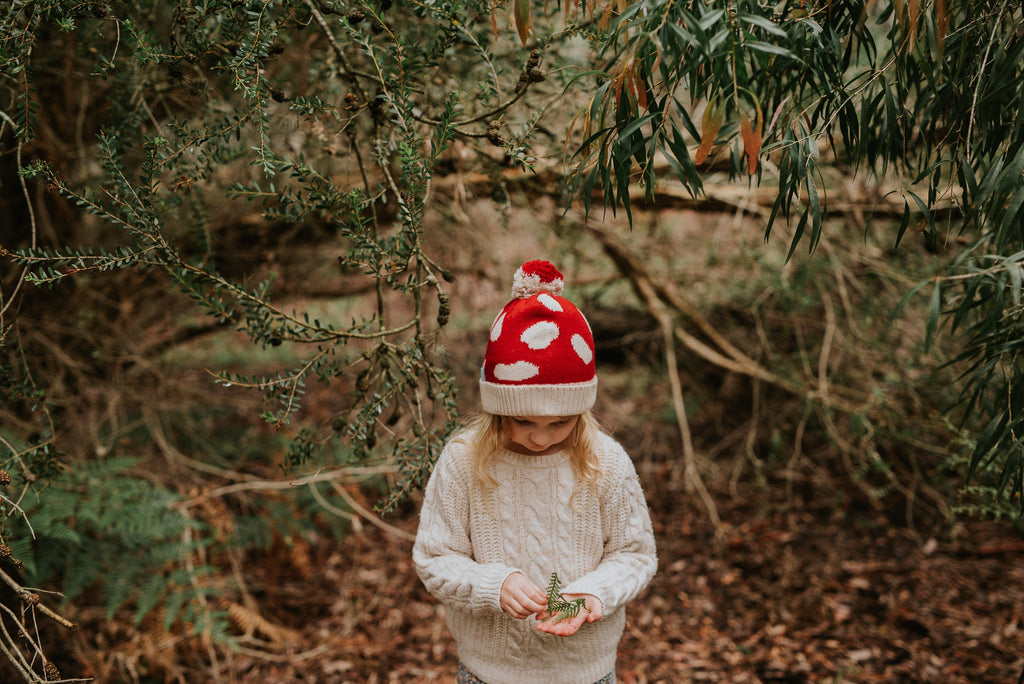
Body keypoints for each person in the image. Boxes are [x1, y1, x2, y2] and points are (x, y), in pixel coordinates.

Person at [413, 259, 658, 684]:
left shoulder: (606, 462)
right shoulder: (463, 461)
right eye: (523, 420)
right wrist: (491, 584)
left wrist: (593, 593)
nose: (540, 438)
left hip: (586, 674)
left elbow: (635, 554)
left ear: (580, 411)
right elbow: (435, 559)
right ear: (497, 410)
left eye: (559, 423)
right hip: (489, 674)